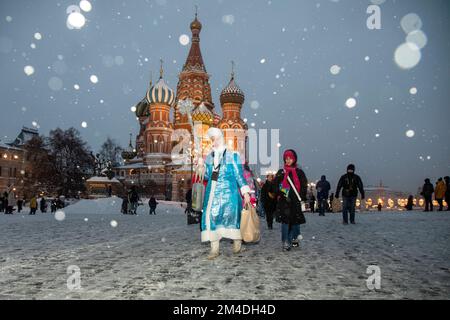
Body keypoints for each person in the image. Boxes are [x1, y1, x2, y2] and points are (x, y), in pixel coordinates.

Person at [197, 127, 251, 260]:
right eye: (211, 139)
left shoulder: (233, 156)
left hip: (229, 194)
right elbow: (208, 176)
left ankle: (237, 246)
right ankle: (214, 249)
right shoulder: (209, 157)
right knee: (211, 218)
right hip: (212, 193)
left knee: (233, 218)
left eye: (215, 139)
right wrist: (201, 167)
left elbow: (239, 175)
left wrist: (245, 193)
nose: (213, 142)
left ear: (220, 138)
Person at [273, 149, 308, 251]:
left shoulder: (299, 172)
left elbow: (303, 186)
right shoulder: (281, 172)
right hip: (284, 201)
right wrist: (280, 193)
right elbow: (275, 186)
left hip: (295, 200)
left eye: (290, 158)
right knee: (285, 222)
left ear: (294, 159)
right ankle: (285, 242)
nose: (288, 160)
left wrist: (301, 196)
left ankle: (293, 240)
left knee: (295, 222)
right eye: (286, 158)